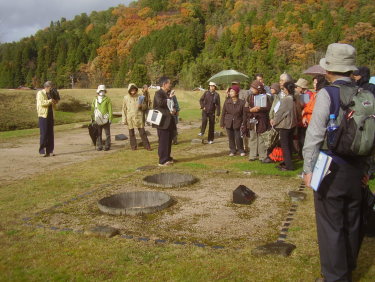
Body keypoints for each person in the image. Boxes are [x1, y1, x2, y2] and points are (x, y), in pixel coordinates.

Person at [303, 43, 372, 281]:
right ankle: (348, 267)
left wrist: (308, 169)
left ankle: (334, 276)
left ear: (328, 70)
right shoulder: (367, 94)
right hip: (358, 168)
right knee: (352, 221)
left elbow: (314, 135)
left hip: (330, 167)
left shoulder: (327, 94)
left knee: (330, 223)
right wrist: (368, 171)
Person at [270, 81, 297, 171]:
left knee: (285, 145)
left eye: (284, 89)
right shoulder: (294, 98)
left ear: (286, 89)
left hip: (285, 125)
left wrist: (275, 121)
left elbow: (280, 112)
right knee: (289, 144)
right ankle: (287, 162)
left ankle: (289, 166)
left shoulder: (286, 99)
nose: (283, 90)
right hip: (292, 124)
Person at [246, 80, 272, 162]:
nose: (251, 89)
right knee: (253, 137)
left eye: (253, 88)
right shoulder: (249, 97)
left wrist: (260, 108)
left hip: (262, 119)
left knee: (261, 137)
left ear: (258, 88)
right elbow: (245, 108)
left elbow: (268, 108)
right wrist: (251, 110)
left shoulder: (266, 97)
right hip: (252, 119)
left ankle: (262, 156)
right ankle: (252, 155)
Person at [153, 77, 177, 166]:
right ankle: (162, 161)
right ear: (164, 84)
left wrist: (174, 110)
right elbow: (159, 103)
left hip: (169, 120)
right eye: (169, 83)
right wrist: (169, 98)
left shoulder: (167, 93)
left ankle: (167, 157)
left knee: (168, 140)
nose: (170, 85)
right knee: (163, 141)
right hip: (162, 121)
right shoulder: (158, 93)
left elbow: (171, 105)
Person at [122, 83, 151, 151]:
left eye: (134, 89)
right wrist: (124, 119)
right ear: (129, 90)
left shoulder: (140, 97)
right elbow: (124, 109)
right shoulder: (125, 98)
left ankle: (147, 146)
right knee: (131, 133)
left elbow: (145, 107)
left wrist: (141, 106)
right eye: (131, 89)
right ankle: (133, 146)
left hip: (139, 117)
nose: (133, 91)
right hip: (130, 118)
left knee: (142, 132)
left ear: (136, 89)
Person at [220, 85, 245, 156]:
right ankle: (232, 150)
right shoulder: (227, 102)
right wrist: (222, 123)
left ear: (237, 93)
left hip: (238, 122)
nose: (230, 93)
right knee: (230, 138)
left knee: (238, 137)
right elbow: (223, 113)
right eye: (230, 91)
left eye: (232, 91)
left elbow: (244, 114)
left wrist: (244, 123)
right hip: (228, 122)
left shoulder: (242, 102)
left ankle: (241, 150)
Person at [36, 81, 58, 157]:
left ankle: (50, 150)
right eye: (51, 87)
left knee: (50, 134)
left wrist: (55, 102)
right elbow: (42, 103)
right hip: (43, 115)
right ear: (47, 87)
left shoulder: (50, 94)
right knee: (44, 133)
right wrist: (50, 101)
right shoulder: (40, 93)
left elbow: (52, 105)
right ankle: (42, 151)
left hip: (50, 115)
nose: (52, 89)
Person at [91, 85, 113, 151]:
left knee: (107, 134)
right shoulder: (95, 99)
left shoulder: (108, 99)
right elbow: (92, 109)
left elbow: (110, 109)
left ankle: (107, 145)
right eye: (100, 91)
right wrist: (92, 118)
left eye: (103, 91)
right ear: (98, 91)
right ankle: (99, 146)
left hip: (106, 118)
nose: (102, 92)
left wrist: (110, 118)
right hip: (97, 119)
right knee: (98, 134)